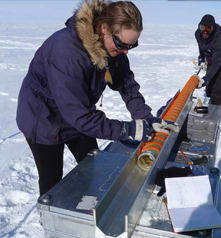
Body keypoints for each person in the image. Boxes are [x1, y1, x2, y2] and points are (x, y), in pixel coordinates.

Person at [16, 0, 179, 196]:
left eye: (132, 45)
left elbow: (126, 84)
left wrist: (145, 117)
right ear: (104, 28)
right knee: (52, 183)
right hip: (44, 119)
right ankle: (52, 221)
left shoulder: (113, 49)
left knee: (93, 167)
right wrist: (127, 129)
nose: (126, 51)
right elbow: (80, 117)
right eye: (122, 44)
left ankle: (91, 209)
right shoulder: (66, 53)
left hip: (77, 113)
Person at [195, 14, 221, 121]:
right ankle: (212, 100)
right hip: (212, 57)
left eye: (208, 28)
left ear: (213, 28)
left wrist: (206, 78)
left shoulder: (219, 39)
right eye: (203, 27)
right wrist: (201, 58)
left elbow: (217, 63)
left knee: (218, 84)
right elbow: (200, 46)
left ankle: (219, 108)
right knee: (210, 86)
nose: (205, 31)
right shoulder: (198, 34)